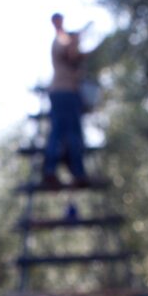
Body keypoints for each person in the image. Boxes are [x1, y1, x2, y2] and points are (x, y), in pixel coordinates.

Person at [42, 13, 90, 189]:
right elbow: (68, 50)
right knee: (66, 134)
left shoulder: (65, 43)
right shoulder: (61, 40)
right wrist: (76, 39)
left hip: (68, 93)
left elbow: (77, 56)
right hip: (63, 94)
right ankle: (58, 171)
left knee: (70, 134)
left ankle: (72, 172)